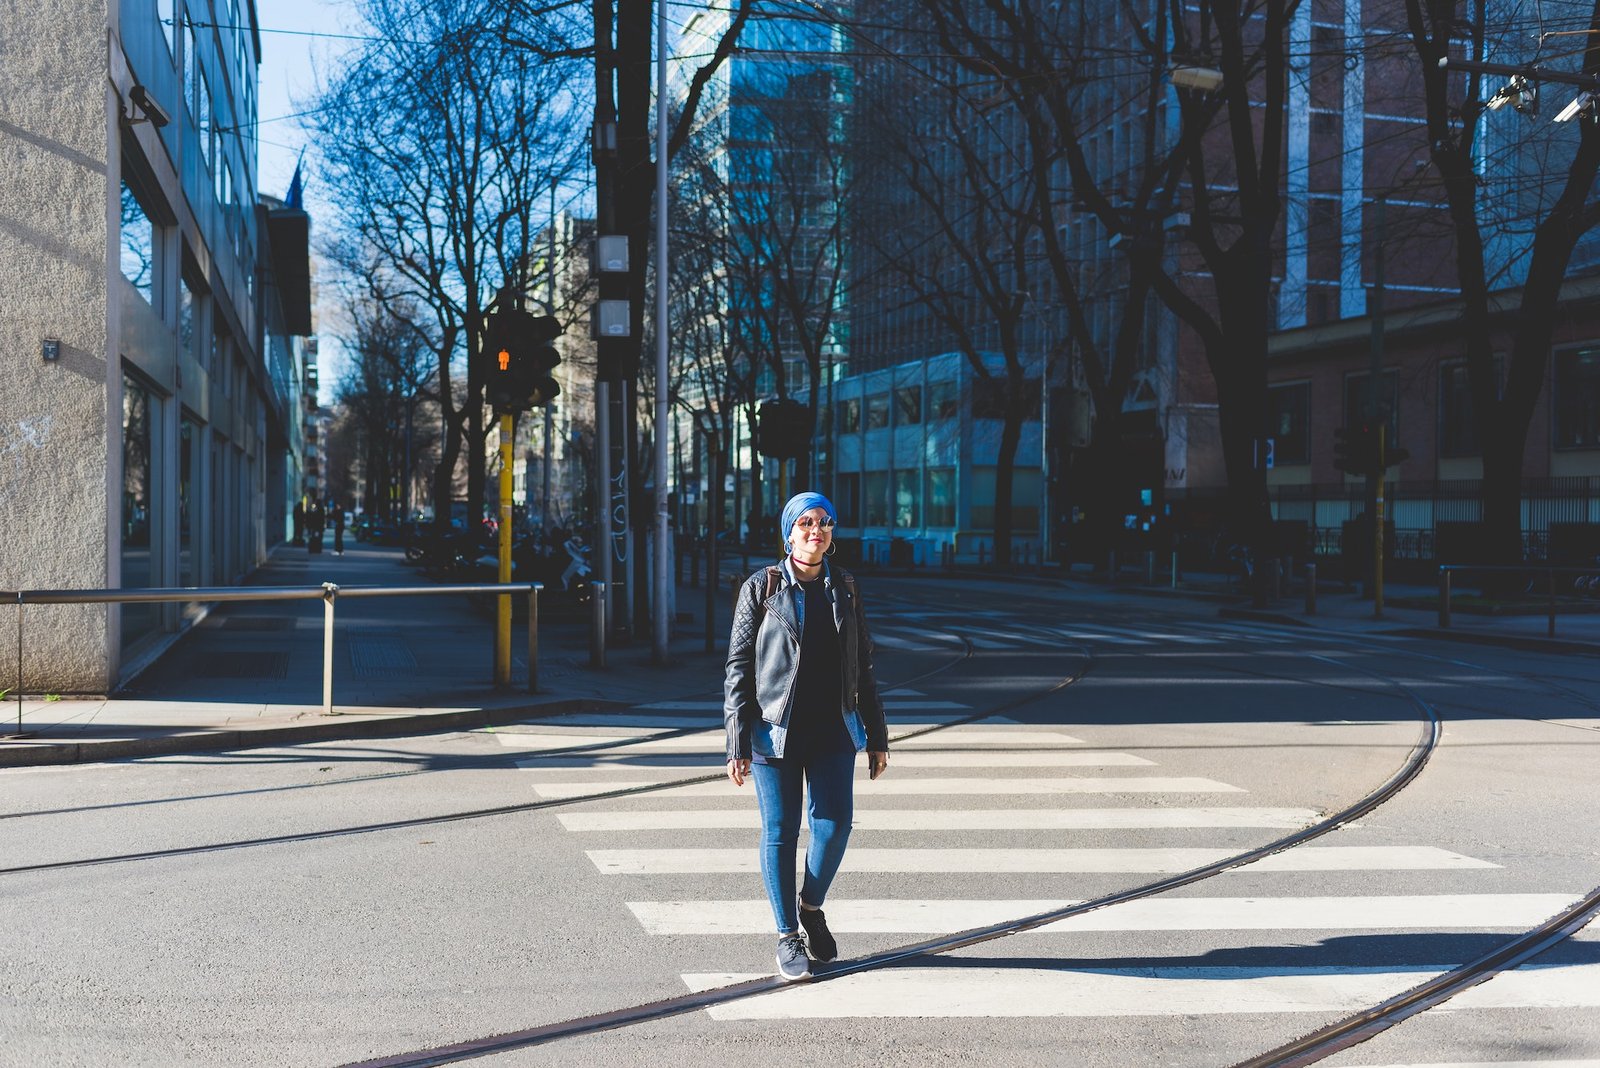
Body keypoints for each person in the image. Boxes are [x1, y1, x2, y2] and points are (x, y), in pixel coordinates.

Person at [724, 491, 889, 982]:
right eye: (806, 524)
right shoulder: (761, 587)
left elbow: (864, 667)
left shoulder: (846, 587)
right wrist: (736, 739)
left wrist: (877, 735)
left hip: (834, 726)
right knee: (780, 832)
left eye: (825, 523)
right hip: (774, 729)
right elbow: (737, 665)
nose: (816, 531)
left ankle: (811, 906)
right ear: (789, 532)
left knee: (835, 825)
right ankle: (786, 933)